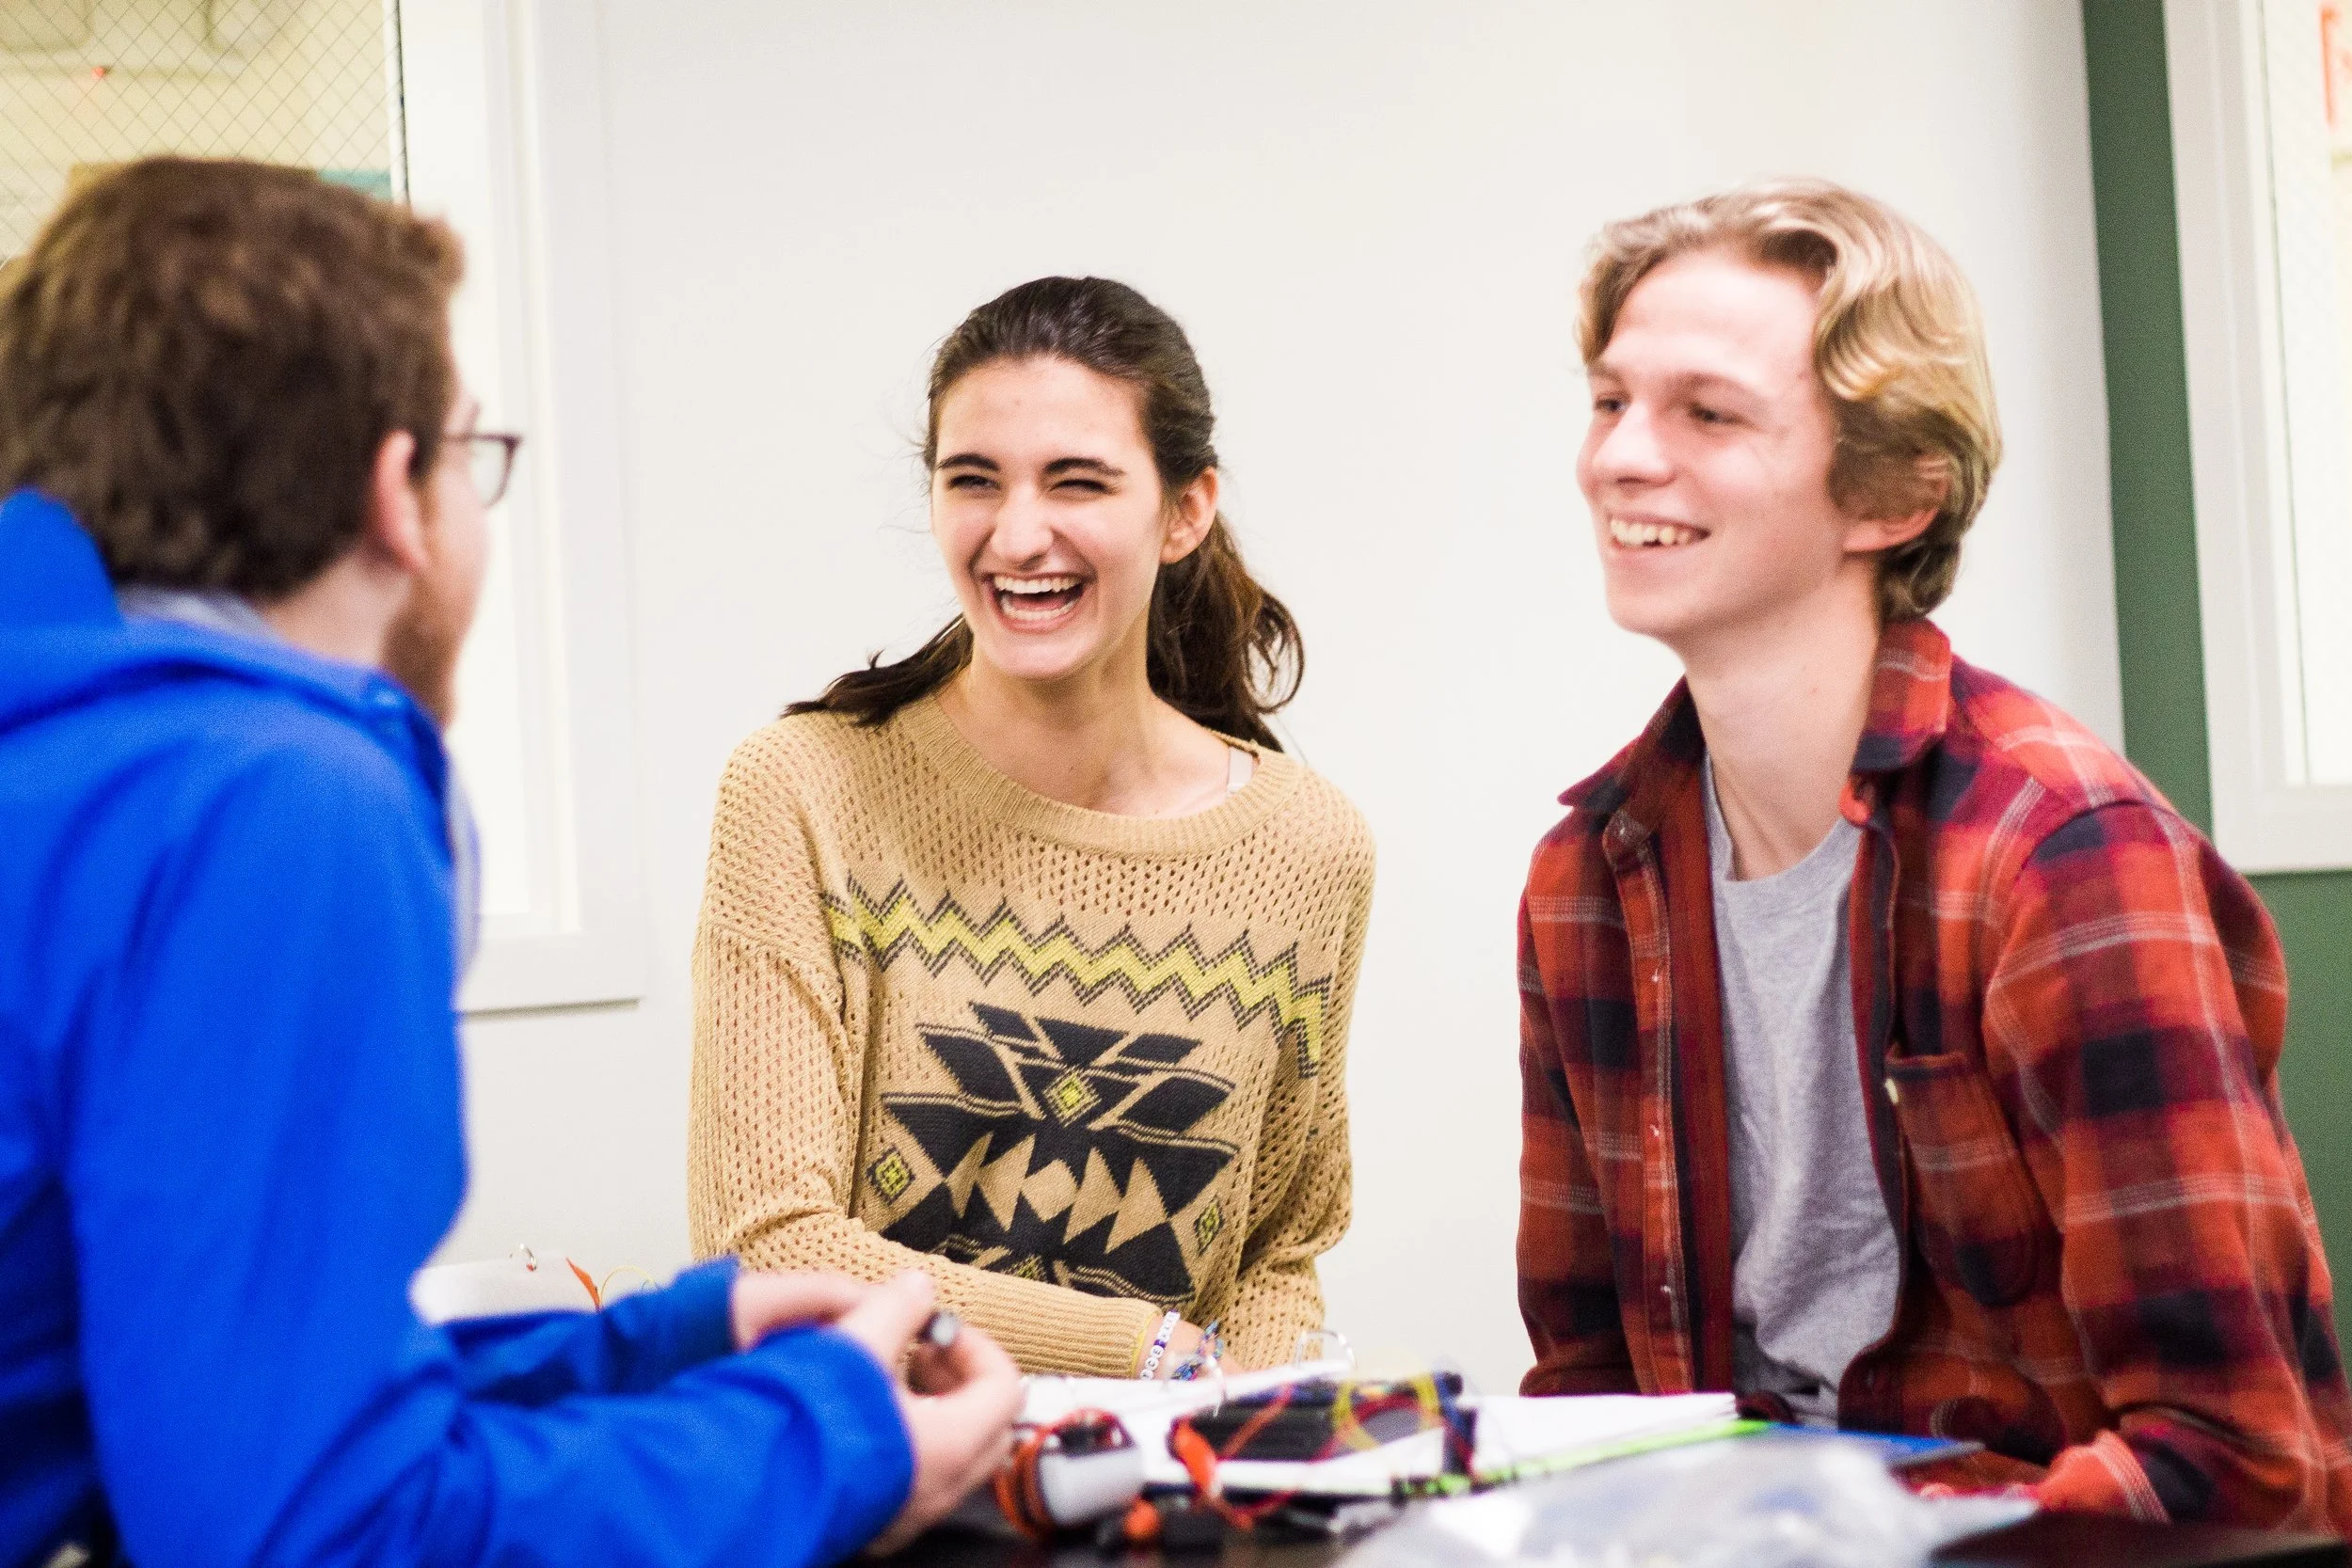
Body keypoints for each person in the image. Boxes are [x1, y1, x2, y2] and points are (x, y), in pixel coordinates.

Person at [0, 157, 1020, 1568]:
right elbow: (316, 1535)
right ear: (395, 494)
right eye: (473, 456)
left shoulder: (65, 761)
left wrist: (654, 1345)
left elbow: (213, 1423)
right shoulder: (271, 801)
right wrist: (834, 1434)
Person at [1513, 180, 2352, 1529]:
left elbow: (2246, 1467)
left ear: (1896, 491)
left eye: (1706, 412)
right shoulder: (1586, 883)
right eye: (1612, 400)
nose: (1618, 457)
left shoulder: (2064, 861)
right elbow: (1590, 1396)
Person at [688, 277, 1375, 1380]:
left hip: (1166, 1501)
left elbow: (1276, 1253)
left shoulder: (1306, 846)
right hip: (879, 1483)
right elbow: (768, 1246)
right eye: (974, 481)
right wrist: (1138, 1354)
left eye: (1077, 481)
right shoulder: (801, 790)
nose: (1017, 534)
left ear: (1184, 509)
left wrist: (1247, 1447)